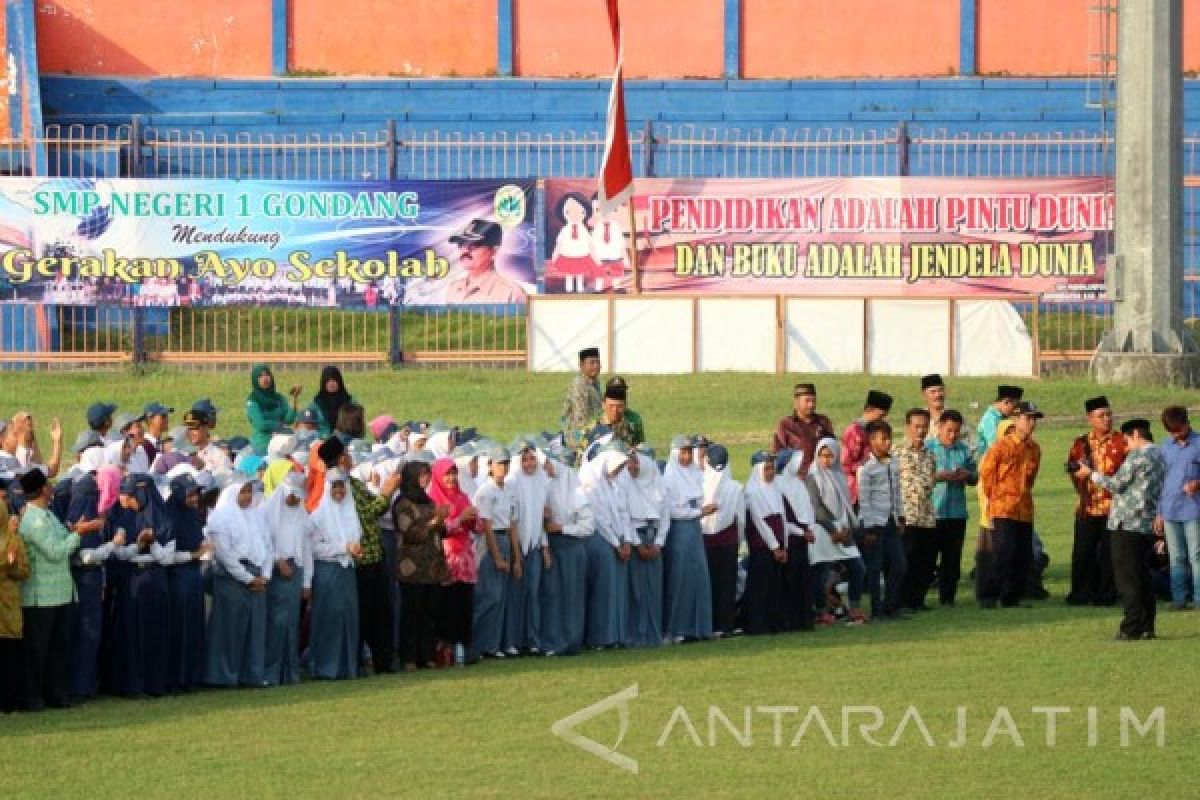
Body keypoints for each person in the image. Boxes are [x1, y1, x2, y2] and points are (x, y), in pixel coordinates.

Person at [1075, 419, 1165, 641]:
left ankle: (1131, 625)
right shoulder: (1160, 455)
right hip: (1145, 522)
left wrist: (1091, 474)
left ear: (1135, 434)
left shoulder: (1138, 456)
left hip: (1126, 522)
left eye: (1127, 439)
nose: (1125, 445)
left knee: (1127, 578)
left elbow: (1116, 484)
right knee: (1142, 575)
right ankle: (1147, 624)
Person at [18, 467, 82, 710]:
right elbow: (56, 552)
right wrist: (78, 535)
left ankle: (57, 694)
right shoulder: (34, 521)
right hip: (40, 598)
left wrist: (73, 533)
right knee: (38, 650)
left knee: (58, 647)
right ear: (43, 489)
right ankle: (33, 697)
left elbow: (62, 538)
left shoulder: (49, 515)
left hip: (59, 593)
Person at [978, 401, 1043, 609]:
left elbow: (1031, 479)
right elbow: (987, 474)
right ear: (1015, 420)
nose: (1031, 423)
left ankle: (1011, 597)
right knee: (1002, 553)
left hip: (1024, 508)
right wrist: (994, 499)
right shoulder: (1001, 446)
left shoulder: (1034, 449)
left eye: (1034, 419)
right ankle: (989, 596)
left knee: (1022, 555)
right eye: (1027, 418)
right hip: (1003, 507)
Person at [1066, 396, 1127, 606]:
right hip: (1087, 506)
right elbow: (1072, 470)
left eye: (1109, 414)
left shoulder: (1122, 442)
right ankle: (1081, 593)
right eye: (1101, 416)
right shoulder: (1080, 444)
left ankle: (1106, 594)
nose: (1107, 419)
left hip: (1113, 507)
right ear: (1090, 418)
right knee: (1083, 552)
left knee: (1109, 555)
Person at [347, 450, 403, 674]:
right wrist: (385, 493)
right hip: (361, 559)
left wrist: (383, 495)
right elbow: (366, 513)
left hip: (375, 554)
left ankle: (384, 661)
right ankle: (360, 662)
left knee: (382, 612)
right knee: (365, 613)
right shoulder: (347, 487)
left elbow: (375, 509)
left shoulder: (357, 485)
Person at [393, 460, 450, 670]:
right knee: (411, 612)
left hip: (431, 566)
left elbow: (441, 533)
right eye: (422, 475)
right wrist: (436, 521)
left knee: (429, 612)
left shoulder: (429, 502)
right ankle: (408, 657)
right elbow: (411, 533)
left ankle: (426, 655)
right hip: (412, 567)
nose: (426, 479)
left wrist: (442, 520)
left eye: (428, 474)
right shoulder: (403, 504)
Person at [805, 438, 868, 625]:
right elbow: (816, 509)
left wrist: (847, 528)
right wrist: (833, 531)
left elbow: (846, 506)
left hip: (842, 530)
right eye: (823, 456)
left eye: (831, 455)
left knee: (858, 568)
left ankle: (854, 607)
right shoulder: (812, 477)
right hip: (823, 531)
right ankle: (821, 611)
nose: (827, 460)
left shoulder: (839, 476)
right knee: (820, 573)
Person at [308, 469, 362, 680]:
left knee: (348, 616)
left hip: (347, 571)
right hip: (327, 571)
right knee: (328, 616)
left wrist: (354, 549)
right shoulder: (318, 516)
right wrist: (343, 547)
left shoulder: (350, 511)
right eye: (335, 486)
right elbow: (314, 548)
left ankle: (347, 667)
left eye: (342, 486)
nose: (339, 491)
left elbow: (355, 537)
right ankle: (325, 667)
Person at [541, 447, 594, 656]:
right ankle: (553, 640)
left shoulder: (577, 493)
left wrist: (562, 528)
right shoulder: (546, 487)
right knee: (553, 594)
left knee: (572, 595)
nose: (546, 468)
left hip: (571, 547)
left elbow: (588, 526)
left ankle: (571, 641)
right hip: (553, 546)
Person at [579, 445, 633, 650]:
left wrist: (624, 540)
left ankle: (615, 634)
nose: (618, 472)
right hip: (599, 540)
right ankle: (600, 637)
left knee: (615, 590)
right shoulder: (591, 484)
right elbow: (599, 518)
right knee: (602, 591)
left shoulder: (612, 485)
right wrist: (616, 542)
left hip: (614, 541)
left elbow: (621, 513)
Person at [660, 436, 713, 643]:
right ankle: (677, 628)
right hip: (680, 532)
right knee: (680, 579)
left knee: (698, 577)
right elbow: (673, 511)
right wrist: (699, 511)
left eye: (689, 452)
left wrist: (700, 511)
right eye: (683, 452)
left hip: (694, 531)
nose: (686, 456)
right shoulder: (670, 477)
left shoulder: (694, 473)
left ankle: (698, 627)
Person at [261, 472, 312, 686]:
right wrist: (276, 560)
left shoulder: (301, 514)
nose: (294, 499)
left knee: (292, 623)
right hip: (276, 572)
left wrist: (307, 581)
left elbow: (307, 549)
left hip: (296, 571)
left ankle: (290, 673)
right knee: (275, 623)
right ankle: (270, 673)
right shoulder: (267, 513)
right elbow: (262, 542)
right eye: (292, 495)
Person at [429, 458, 481, 665]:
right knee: (445, 606)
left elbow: (476, 527)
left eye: (454, 473)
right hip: (445, 560)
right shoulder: (433, 499)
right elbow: (438, 530)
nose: (451, 478)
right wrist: (460, 519)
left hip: (465, 560)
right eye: (446, 474)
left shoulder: (463, 496)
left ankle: (464, 649)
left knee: (464, 605)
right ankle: (445, 651)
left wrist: (474, 518)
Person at [925, 410, 977, 607]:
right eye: (949, 431)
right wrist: (939, 476)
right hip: (934, 512)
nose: (952, 435)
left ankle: (948, 599)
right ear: (939, 427)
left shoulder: (963, 450)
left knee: (952, 560)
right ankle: (920, 597)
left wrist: (967, 475)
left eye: (956, 431)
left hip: (956, 513)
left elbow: (975, 477)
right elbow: (920, 477)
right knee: (928, 558)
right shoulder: (928, 448)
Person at [472, 448, 520, 659]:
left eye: (506, 463)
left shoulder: (509, 490)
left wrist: (516, 558)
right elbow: (487, 526)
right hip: (489, 541)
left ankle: (493, 644)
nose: (503, 467)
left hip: (506, 540)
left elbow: (512, 526)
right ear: (490, 465)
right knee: (489, 595)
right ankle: (478, 644)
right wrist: (498, 557)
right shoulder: (485, 492)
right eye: (499, 463)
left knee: (502, 597)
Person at [857, 420, 907, 621]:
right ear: (872, 441)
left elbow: (897, 491)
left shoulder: (893, 462)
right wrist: (868, 528)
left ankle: (891, 605)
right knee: (875, 567)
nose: (888, 443)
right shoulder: (867, 468)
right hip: (874, 523)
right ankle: (877, 609)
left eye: (889, 438)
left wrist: (901, 515)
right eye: (883, 439)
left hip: (890, 521)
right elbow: (864, 500)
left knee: (899, 564)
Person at [162, 474, 208, 692]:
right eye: (189, 493)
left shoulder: (192, 515)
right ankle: (175, 677)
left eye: (195, 493)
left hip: (193, 575)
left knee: (194, 625)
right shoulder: (169, 516)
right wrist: (195, 554)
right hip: (178, 576)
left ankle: (191, 676)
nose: (194, 498)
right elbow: (170, 553)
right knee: (178, 627)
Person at [1154, 406, 1200, 610]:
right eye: (1172, 432)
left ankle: (1199, 598)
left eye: (1179, 430)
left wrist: (1198, 483)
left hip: (1193, 509)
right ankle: (1179, 597)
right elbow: (1160, 481)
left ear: (1187, 423)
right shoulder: (1165, 447)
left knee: (1196, 556)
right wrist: (1159, 513)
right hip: (1170, 510)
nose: (1176, 435)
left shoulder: (1199, 444)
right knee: (1176, 556)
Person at [508, 443, 552, 654]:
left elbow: (539, 520)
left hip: (534, 545)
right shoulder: (513, 482)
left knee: (533, 595)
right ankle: (514, 641)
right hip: (516, 545)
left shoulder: (540, 481)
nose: (529, 463)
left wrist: (544, 547)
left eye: (532, 459)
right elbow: (513, 520)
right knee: (517, 594)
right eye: (525, 459)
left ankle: (533, 641)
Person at [624, 447, 667, 648]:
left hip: (654, 538)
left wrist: (659, 542)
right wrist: (638, 544)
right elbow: (626, 518)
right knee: (637, 589)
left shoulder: (659, 485)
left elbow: (665, 518)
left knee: (654, 590)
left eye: (635, 462)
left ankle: (653, 634)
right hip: (637, 538)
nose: (631, 467)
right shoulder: (626, 486)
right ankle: (637, 635)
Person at [742, 451, 788, 634]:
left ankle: (774, 621)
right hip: (762, 545)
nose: (771, 472)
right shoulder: (752, 492)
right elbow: (760, 522)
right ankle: (756, 624)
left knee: (775, 585)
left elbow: (782, 517)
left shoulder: (776, 488)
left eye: (772, 468)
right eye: (767, 469)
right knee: (760, 585)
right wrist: (775, 546)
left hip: (777, 543)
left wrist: (784, 545)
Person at [700, 444, 743, 637]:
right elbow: (740, 519)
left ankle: (713, 623)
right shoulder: (735, 487)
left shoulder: (700, 483)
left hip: (711, 540)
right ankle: (723, 624)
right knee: (725, 584)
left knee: (714, 583)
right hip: (726, 541)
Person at [897, 410, 937, 613]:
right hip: (907, 515)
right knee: (906, 560)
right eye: (917, 427)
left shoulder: (930, 454)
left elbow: (931, 481)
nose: (920, 431)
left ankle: (917, 599)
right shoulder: (897, 452)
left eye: (924, 426)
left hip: (927, 515)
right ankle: (902, 600)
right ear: (908, 427)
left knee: (926, 561)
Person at [776, 449, 816, 632]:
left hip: (804, 536)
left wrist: (810, 529)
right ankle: (791, 619)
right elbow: (784, 517)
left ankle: (805, 618)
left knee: (804, 579)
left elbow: (808, 509)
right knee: (790, 580)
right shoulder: (779, 484)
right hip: (790, 537)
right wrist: (802, 532)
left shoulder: (798, 484)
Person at [444, 219, 527, 305]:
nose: (465, 251)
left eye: (474, 245)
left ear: (494, 251)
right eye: (461, 244)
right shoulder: (453, 288)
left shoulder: (511, 293)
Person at [1, 497, 30, 713]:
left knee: (9, 656)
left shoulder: (14, 541)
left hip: (8, 604)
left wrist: (9, 568)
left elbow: (24, 571)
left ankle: (9, 702)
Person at [841, 390, 893, 505]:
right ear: (869, 409)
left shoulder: (876, 431)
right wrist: (868, 467)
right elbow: (845, 465)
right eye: (880, 415)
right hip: (856, 493)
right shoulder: (854, 431)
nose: (882, 420)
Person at [773, 382, 836, 477]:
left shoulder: (823, 422)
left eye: (813, 401)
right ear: (796, 402)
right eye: (807, 401)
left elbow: (833, 448)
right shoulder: (785, 425)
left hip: (822, 477)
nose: (811, 405)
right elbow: (778, 455)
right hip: (797, 479)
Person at [578, 380, 644, 458]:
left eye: (619, 407)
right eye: (611, 406)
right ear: (603, 405)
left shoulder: (629, 429)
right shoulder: (591, 429)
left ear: (625, 406)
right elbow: (581, 458)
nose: (615, 410)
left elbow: (638, 452)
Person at [245, 365, 301, 456]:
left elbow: (288, 420)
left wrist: (294, 400)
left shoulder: (278, 398)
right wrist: (279, 425)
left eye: (267, 375)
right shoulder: (252, 401)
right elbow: (260, 424)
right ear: (255, 380)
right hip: (262, 445)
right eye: (260, 376)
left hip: (281, 443)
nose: (265, 378)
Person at [561, 347, 603, 457]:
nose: (596, 366)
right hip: (578, 440)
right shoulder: (580, 384)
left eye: (598, 362)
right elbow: (581, 418)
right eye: (592, 363)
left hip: (591, 435)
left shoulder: (594, 383)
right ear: (581, 365)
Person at [312, 366, 354, 438]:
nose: (331, 383)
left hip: (345, 442)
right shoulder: (316, 403)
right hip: (322, 442)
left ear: (339, 382)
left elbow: (358, 426)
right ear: (323, 383)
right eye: (328, 381)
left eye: (334, 380)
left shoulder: (350, 401)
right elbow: (307, 426)